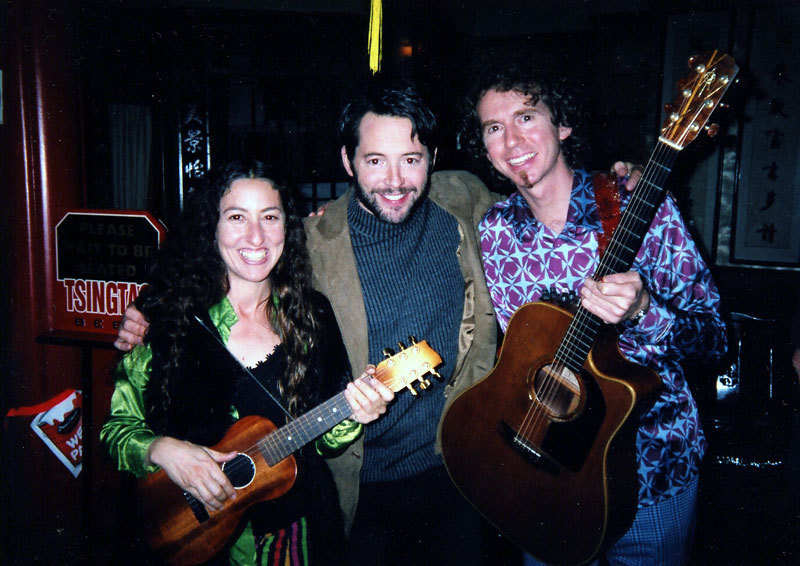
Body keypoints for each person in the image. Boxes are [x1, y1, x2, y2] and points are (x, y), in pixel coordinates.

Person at [113, 80, 640, 564]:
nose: (394, 181)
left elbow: (541, 195)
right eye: (375, 161)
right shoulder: (306, 246)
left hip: (456, 469)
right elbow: (235, 258)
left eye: (411, 159)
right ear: (347, 160)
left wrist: (616, 179)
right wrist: (146, 313)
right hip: (354, 486)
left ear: (433, 159)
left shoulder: (466, 202)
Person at [460, 58, 728, 565]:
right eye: (494, 127)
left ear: (562, 124)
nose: (512, 140)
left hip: (650, 471)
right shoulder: (493, 231)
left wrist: (645, 310)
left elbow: (716, 339)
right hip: (543, 469)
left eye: (526, 116)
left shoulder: (640, 206)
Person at [100, 161, 394, 565]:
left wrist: (357, 411)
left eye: (269, 217)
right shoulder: (166, 319)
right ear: (213, 228)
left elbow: (324, 441)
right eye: (237, 217)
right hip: (192, 537)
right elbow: (117, 430)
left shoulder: (313, 317)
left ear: (286, 228)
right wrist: (162, 449)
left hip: (292, 537)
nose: (256, 237)